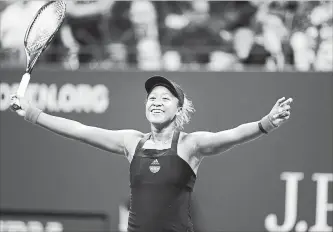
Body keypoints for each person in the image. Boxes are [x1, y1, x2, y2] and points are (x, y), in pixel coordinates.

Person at [10, 75, 293, 232]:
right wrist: (32, 113)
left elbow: (230, 136)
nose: (156, 102)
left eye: (164, 98)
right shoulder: (131, 142)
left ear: (178, 110)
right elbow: (79, 129)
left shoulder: (190, 145)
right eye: (152, 98)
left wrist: (265, 123)